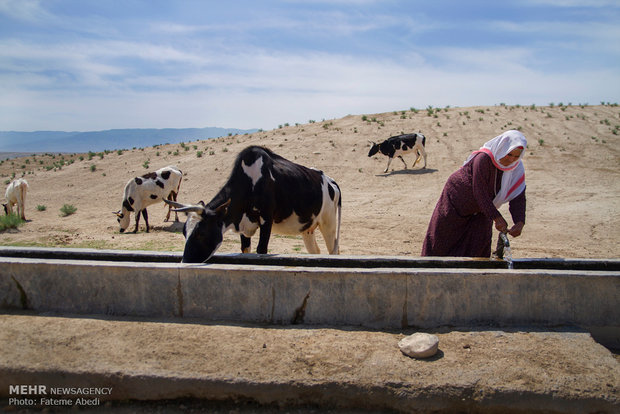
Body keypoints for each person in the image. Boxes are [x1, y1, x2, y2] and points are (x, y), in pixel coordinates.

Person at [421, 130, 527, 257]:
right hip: (457, 202)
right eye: (509, 154)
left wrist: (519, 222)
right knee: (444, 240)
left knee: (479, 243)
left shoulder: (516, 168)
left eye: (516, 156)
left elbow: (518, 196)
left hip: (483, 208)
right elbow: (479, 191)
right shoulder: (483, 159)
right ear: (502, 149)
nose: (511, 159)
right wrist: (497, 217)